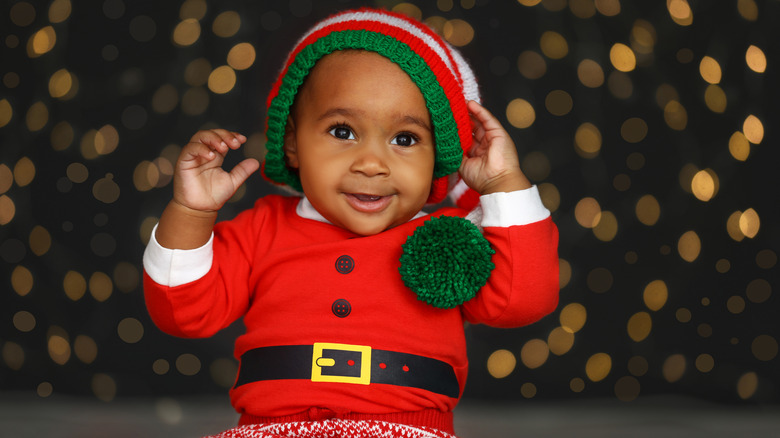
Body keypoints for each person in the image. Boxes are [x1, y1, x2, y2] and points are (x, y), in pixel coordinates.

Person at [143, 8, 559, 438]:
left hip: (409, 429)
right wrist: (192, 214)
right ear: (292, 143)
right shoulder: (261, 229)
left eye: (405, 139)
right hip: (270, 429)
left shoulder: (448, 240)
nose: (372, 163)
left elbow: (523, 300)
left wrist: (503, 185)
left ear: (439, 156)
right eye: (342, 131)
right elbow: (183, 313)